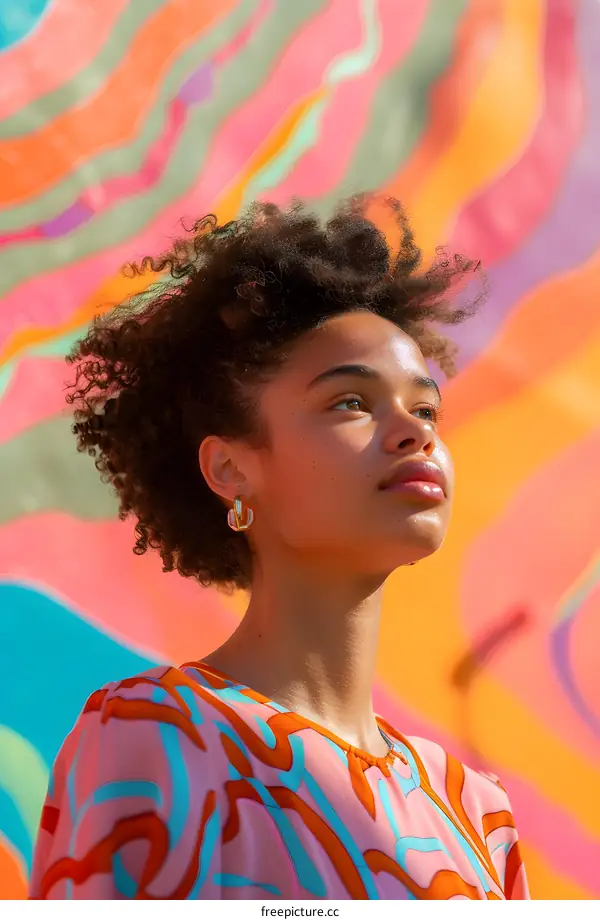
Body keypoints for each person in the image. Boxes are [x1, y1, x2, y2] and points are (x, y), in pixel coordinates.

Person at [29, 197, 529, 900]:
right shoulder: (160, 737)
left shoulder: (479, 813)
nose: (414, 433)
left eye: (425, 410)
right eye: (350, 402)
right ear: (231, 469)